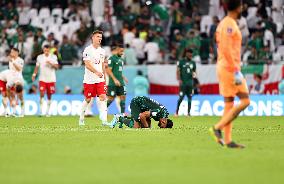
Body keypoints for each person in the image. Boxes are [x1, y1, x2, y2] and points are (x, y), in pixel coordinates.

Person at [209, 0, 250, 149]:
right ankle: (217, 128)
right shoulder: (229, 24)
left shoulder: (226, 23)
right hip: (229, 68)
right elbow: (225, 49)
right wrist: (235, 70)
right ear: (238, 8)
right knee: (245, 101)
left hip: (227, 67)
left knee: (229, 103)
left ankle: (228, 140)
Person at [79, 30, 108, 126]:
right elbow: (87, 64)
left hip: (100, 80)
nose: (100, 38)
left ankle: (104, 120)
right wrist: (96, 72)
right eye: (97, 36)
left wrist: (104, 77)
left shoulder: (102, 51)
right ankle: (81, 118)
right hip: (89, 80)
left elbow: (103, 65)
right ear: (93, 37)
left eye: (100, 37)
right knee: (88, 99)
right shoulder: (87, 50)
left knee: (103, 98)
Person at [32, 45, 59, 117]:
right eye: (45, 50)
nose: (46, 52)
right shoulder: (39, 57)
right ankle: (41, 111)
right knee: (41, 93)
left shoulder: (53, 57)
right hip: (42, 79)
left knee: (49, 95)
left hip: (51, 79)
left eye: (47, 50)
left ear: (49, 50)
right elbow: (37, 67)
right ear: (43, 50)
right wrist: (34, 74)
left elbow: (57, 67)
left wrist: (50, 63)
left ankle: (47, 112)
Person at [106, 45, 128, 114]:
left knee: (123, 97)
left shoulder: (121, 60)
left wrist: (123, 77)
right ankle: (103, 111)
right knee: (111, 99)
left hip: (121, 82)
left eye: (123, 51)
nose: (122, 53)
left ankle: (122, 114)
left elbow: (118, 71)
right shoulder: (111, 58)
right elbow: (109, 71)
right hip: (113, 83)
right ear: (117, 50)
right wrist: (115, 80)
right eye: (121, 51)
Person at [175, 49, 196, 116]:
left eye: (191, 53)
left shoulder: (193, 62)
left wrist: (194, 75)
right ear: (186, 53)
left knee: (190, 97)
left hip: (190, 83)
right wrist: (179, 79)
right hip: (183, 83)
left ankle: (188, 113)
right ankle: (177, 112)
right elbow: (178, 71)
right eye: (189, 53)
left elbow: (194, 72)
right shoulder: (181, 62)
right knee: (181, 98)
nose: (190, 54)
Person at [7, 48, 25, 117]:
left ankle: (22, 112)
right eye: (11, 52)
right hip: (11, 79)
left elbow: (19, 69)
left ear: (17, 53)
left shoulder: (20, 60)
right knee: (12, 94)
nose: (11, 53)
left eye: (12, 52)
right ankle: (13, 111)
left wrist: (13, 62)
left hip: (18, 78)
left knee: (20, 96)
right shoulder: (11, 59)